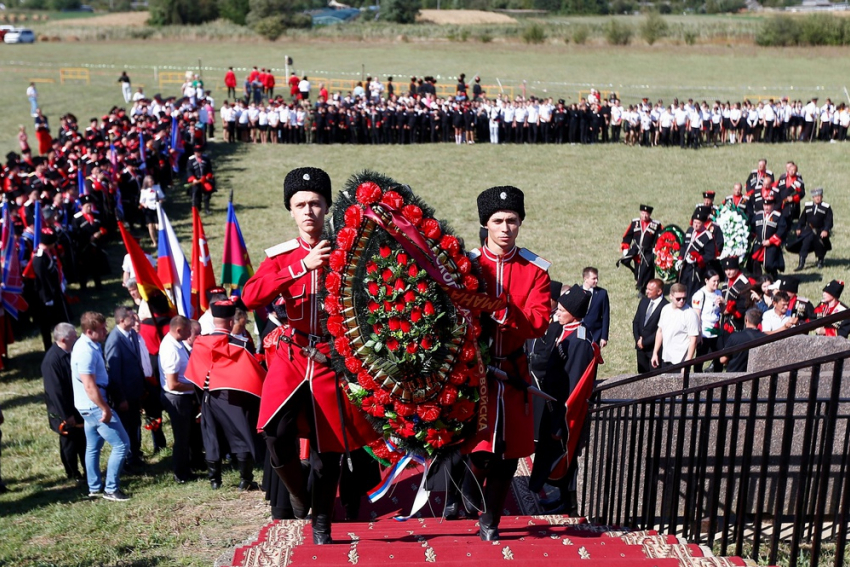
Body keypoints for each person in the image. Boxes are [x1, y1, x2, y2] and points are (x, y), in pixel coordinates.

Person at [242, 167, 377, 545]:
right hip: (292, 354)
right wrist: (300, 266)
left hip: (333, 358)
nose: (308, 211)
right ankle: (299, 494)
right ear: (290, 210)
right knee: (274, 431)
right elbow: (251, 297)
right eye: (300, 204)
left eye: (315, 203)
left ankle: (322, 523)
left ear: (326, 207)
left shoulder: (350, 252)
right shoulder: (281, 256)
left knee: (328, 451)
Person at [463, 185, 551, 541]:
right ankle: (467, 489)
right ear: (486, 224)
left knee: (507, 453)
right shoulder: (467, 264)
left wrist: (503, 310)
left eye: (511, 221)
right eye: (497, 221)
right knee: (476, 448)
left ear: (520, 224)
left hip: (513, 371)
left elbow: (538, 321)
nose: (504, 228)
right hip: (473, 371)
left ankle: (492, 520)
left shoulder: (536, 270)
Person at [528, 285, 596, 515]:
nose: (557, 311)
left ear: (574, 314)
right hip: (552, 403)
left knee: (564, 455)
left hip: (563, 411)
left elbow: (574, 385)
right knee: (550, 454)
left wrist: (559, 422)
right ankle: (559, 496)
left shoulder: (579, 341)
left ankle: (568, 501)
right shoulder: (564, 330)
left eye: (562, 309)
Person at [185, 299, 264, 491]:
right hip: (234, 395)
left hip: (208, 396)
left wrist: (201, 399)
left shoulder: (200, 343)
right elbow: (250, 373)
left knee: (211, 435)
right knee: (241, 435)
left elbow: (195, 374)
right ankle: (245, 479)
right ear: (231, 321)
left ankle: (215, 480)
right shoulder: (240, 344)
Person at [71, 312, 131, 501]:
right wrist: (105, 408)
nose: (106, 331)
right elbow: (89, 385)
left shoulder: (88, 345)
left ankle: (95, 487)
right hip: (95, 405)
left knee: (93, 446)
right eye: (102, 329)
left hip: (86, 407)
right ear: (89, 331)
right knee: (122, 445)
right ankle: (111, 489)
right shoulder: (86, 351)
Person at [41, 322, 86, 484]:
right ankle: (73, 473)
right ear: (63, 339)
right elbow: (55, 392)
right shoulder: (52, 360)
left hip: (76, 407)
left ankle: (87, 470)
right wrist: (66, 415)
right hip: (63, 412)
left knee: (83, 441)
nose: (77, 339)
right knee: (69, 444)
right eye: (74, 337)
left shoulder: (70, 352)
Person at [104, 306, 147, 472]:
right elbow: (114, 373)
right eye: (131, 317)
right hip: (124, 395)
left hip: (135, 391)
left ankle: (135, 455)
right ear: (122, 320)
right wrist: (120, 398)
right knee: (126, 426)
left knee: (135, 424)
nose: (135, 320)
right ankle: (127, 461)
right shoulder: (114, 341)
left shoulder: (132, 334)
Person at [159, 315, 200, 484]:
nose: (191, 333)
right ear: (179, 330)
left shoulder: (177, 344)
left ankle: (188, 466)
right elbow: (173, 384)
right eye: (188, 330)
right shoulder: (171, 350)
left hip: (183, 396)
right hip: (177, 398)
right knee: (181, 437)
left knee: (187, 435)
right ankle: (181, 474)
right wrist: (196, 388)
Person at [31, 227, 72, 351]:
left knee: (61, 319)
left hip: (55, 292)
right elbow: (42, 279)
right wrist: (47, 298)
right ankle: (49, 347)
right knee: (47, 324)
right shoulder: (39, 257)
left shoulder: (49, 253)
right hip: (46, 297)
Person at [651, 283, 700, 369]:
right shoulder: (665, 309)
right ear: (671, 296)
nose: (682, 301)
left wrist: (686, 363)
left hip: (680, 361)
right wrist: (655, 353)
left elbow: (693, 341)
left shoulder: (690, 314)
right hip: (666, 358)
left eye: (684, 298)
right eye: (678, 298)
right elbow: (660, 331)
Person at [619, 204, 662, 293]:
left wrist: (657, 249)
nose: (644, 216)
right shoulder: (635, 223)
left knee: (647, 270)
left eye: (646, 214)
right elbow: (627, 236)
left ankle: (643, 289)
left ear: (650, 214)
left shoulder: (656, 225)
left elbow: (661, 238)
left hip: (649, 252)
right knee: (638, 269)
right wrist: (625, 247)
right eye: (643, 213)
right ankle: (639, 282)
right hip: (636, 251)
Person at [690, 269, 724, 372]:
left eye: (718, 281)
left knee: (719, 356)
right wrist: (699, 332)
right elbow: (697, 315)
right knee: (700, 358)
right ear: (706, 280)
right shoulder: (700, 294)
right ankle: (697, 379)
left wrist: (723, 303)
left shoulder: (718, 292)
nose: (716, 283)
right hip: (704, 331)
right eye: (714, 281)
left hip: (716, 330)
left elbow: (722, 311)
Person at [679, 207, 716, 301]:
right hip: (685, 267)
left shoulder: (707, 236)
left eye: (698, 223)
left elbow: (710, 255)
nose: (696, 225)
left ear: (703, 223)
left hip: (696, 270)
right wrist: (680, 258)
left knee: (692, 291)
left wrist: (697, 259)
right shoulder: (689, 231)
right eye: (695, 222)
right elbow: (684, 246)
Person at [633, 278, 668, 373]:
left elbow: (660, 330)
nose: (647, 291)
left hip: (654, 349)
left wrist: (645, 342)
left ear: (659, 291)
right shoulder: (644, 301)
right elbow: (636, 322)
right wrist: (638, 339)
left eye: (650, 290)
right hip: (641, 348)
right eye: (647, 289)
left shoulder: (666, 307)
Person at [794, 188, 832, 271]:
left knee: (820, 245)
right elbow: (802, 218)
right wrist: (799, 227)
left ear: (822, 197)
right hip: (808, 230)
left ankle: (820, 261)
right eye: (815, 196)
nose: (817, 198)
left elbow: (829, 221)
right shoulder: (808, 206)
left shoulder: (826, 207)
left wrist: (825, 230)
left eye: (819, 196)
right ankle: (801, 263)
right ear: (813, 197)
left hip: (820, 230)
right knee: (804, 244)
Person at [750, 194, 786, 278]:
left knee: (770, 264)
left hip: (771, 245)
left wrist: (770, 241)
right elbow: (752, 228)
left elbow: (781, 230)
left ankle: (773, 276)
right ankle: (758, 279)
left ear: (773, 205)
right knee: (754, 261)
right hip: (759, 244)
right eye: (765, 205)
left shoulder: (778, 216)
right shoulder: (757, 215)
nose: (766, 207)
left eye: (768, 205)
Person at [581, 267, 609, 348]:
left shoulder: (602, 294)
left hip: (595, 334)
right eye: (593, 278)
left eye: (597, 278)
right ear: (585, 278)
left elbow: (605, 316)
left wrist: (604, 337)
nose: (596, 281)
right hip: (579, 334)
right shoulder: (577, 291)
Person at [187, 146, 216, 215]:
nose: (198, 154)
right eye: (197, 152)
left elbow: (209, 169)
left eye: (199, 152)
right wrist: (193, 179)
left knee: (207, 194)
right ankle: (198, 208)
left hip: (205, 180)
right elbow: (189, 171)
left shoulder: (206, 159)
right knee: (196, 194)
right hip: (196, 181)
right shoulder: (191, 160)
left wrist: (208, 176)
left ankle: (207, 209)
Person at [138, 175, 164, 247]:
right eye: (149, 182)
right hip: (148, 209)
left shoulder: (157, 187)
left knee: (157, 226)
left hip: (156, 208)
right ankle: (154, 242)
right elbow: (141, 201)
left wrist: (160, 201)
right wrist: (144, 205)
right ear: (146, 182)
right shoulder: (143, 190)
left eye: (152, 181)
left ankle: (161, 239)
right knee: (150, 226)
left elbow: (162, 197)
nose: (151, 183)